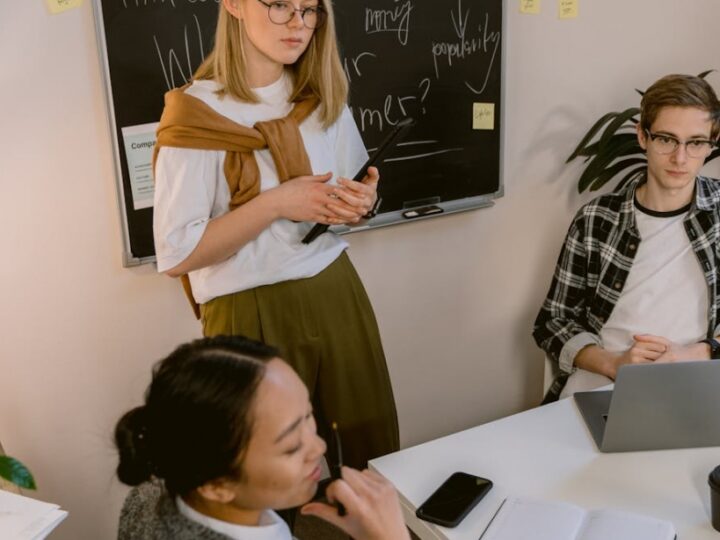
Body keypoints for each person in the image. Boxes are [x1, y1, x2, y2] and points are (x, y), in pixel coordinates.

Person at [151, 0, 399, 468]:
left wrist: (361, 204)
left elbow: (348, 191)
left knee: (373, 453)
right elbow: (176, 254)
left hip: (334, 289)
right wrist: (276, 203)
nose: (298, 25)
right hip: (246, 310)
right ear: (235, 5)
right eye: (281, 5)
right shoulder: (194, 116)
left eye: (310, 11)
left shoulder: (321, 96)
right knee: (261, 466)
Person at [534, 74, 720, 401]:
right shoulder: (596, 219)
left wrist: (695, 354)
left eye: (695, 142)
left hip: (696, 384)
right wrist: (614, 364)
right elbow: (552, 322)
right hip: (604, 383)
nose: (680, 158)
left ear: (710, 143)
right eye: (666, 139)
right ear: (642, 137)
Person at [115, 335, 410, 540]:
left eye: (309, 416)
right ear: (217, 486)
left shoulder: (151, 488)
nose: (319, 446)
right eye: (292, 446)